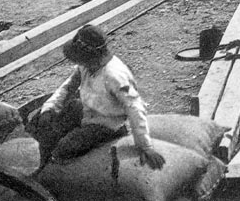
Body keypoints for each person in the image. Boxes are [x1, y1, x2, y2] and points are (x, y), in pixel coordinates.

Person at [29, 25, 166, 171]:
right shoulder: (85, 67)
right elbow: (67, 88)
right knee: (42, 123)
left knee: (64, 148)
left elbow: (134, 107)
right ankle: (40, 164)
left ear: (93, 57)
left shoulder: (115, 76)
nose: (80, 63)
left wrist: (146, 146)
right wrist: (49, 108)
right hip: (88, 110)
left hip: (107, 124)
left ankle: (55, 172)